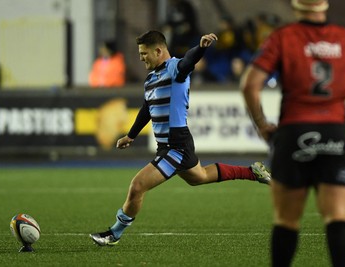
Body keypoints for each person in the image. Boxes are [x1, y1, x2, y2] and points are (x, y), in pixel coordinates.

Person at [90, 30, 272, 246]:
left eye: (144, 53)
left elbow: (188, 61)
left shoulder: (175, 68)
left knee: (138, 186)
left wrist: (201, 48)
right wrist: (131, 135)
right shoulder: (151, 79)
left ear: (158, 50)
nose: (141, 58)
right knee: (200, 177)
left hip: (175, 146)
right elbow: (147, 108)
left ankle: (114, 233)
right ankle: (252, 172)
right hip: (170, 145)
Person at [240, 1, 345, 266]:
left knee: (287, 220)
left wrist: (261, 124)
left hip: (294, 132)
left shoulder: (284, 37)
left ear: (296, 5)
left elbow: (250, 84)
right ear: (325, 4)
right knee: (337, 215)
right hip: (335, 133)